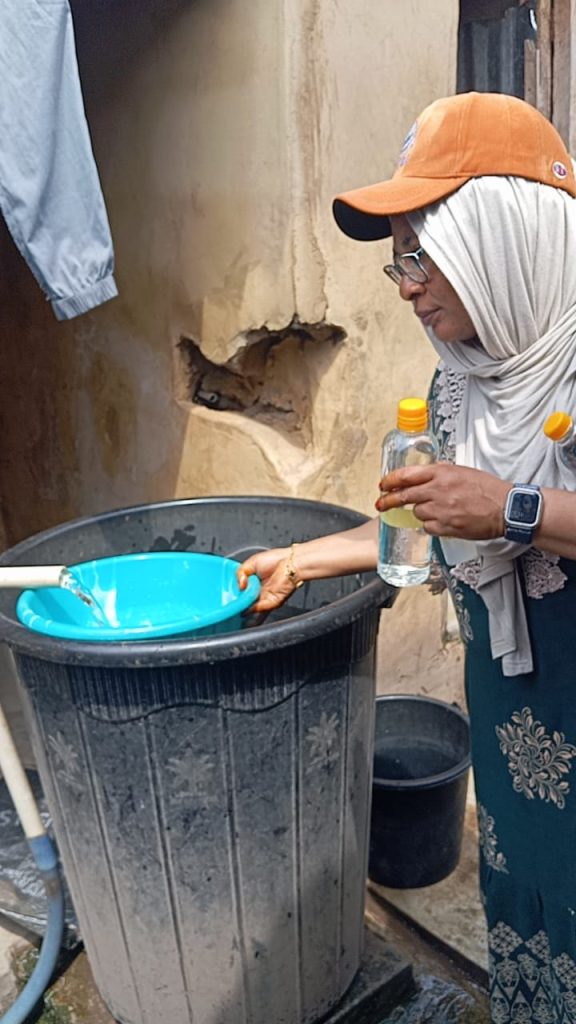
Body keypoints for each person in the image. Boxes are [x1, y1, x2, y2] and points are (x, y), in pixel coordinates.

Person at [238, 91, 576, 1023]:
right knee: (529, 898)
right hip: (516, 720)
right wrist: (302, 559)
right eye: (399, 260)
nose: (406, 285)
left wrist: (510, 508)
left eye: (422, 253)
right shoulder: (463, 380)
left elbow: (489, 511)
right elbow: (429, 523)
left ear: (501, 239)